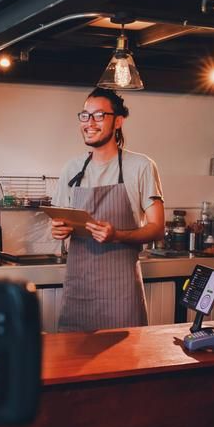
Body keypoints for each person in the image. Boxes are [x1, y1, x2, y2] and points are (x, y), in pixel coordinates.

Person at [51, 88, 165, 332]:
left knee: (125, 362)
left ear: (118, 121)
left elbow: (157, 228)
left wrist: (117, 235)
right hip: (79, 290)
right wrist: (58, 229)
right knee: (73, 361)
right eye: (85, 115)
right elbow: (60, 220)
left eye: (99, 115)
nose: (89, 123)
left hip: (122, 294)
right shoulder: (72, 169)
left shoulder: (141, 166)